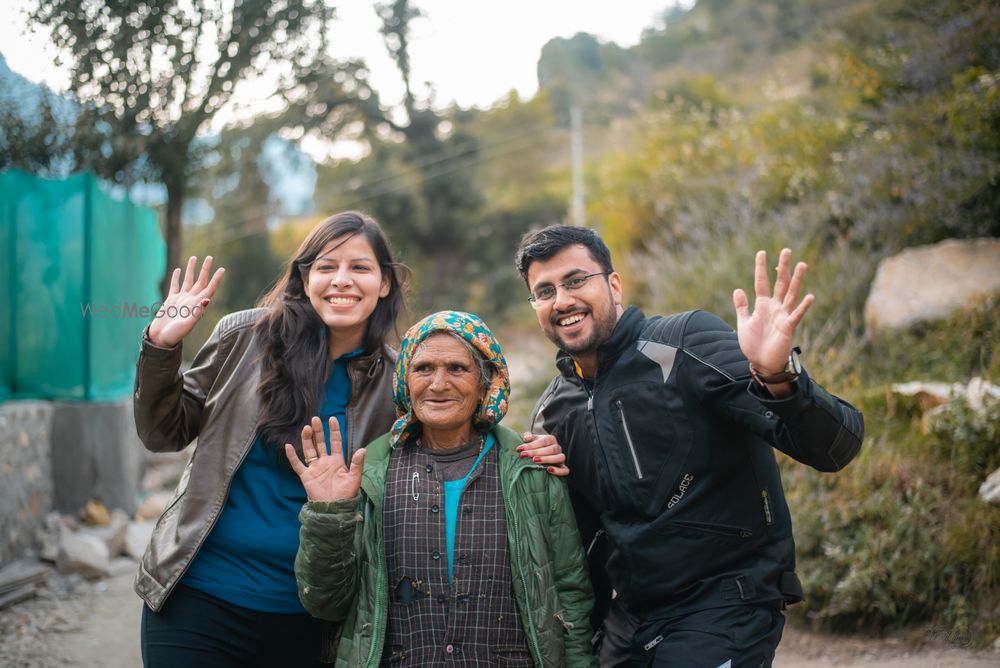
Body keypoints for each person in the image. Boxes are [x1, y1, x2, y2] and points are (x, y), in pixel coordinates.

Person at [132, 212, 568, 667]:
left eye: (360, 267)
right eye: (326, 266)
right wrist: (161, 347)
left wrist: (526, 450)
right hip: (201, 597)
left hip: (314, 614)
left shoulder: (400, 381)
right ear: (304, 279)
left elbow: (456, 440)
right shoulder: (244, 338)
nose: (342, 280)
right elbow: (163, 433)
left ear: (384, 284)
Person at [514, 225, 865, 667]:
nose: (562, 300)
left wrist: (779, 377)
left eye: (575, 280)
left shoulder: (684, 344)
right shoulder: (553, 411)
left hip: (727, 601)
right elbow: (574, 547)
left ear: (614, 284)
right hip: (630, 623)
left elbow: (835, 448)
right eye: (544, 291)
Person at [286, 311, 597, 667]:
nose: (438, 384)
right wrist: (329, 516)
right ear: (405, 380)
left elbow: (571, 596)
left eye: (457, 369)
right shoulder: (370, 473)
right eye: (423, 369)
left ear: (485, 383)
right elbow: (325, 603)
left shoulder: (530, 469)